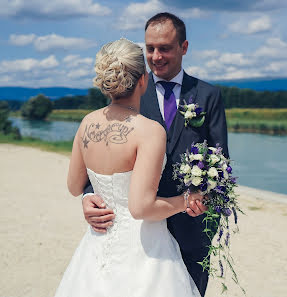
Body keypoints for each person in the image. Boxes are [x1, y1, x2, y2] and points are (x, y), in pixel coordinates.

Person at [81, 12, 229, 296]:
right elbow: (104, 154)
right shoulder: (128, 92)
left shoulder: (208, 95)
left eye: (165, 48)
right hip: (139, 233)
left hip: (191, 229)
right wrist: (90, 195)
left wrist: (207, 206)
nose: (156, 56)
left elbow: (221, 166)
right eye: (150, 48)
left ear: (184, 47)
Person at [55, 38, 202, 296]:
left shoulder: (87, 123)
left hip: (99, 242)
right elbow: (141, 208)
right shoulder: (149, 131)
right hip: (145, 249)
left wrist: (89, 197)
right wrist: (187, 200)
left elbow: (73, 185)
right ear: (143, 79)